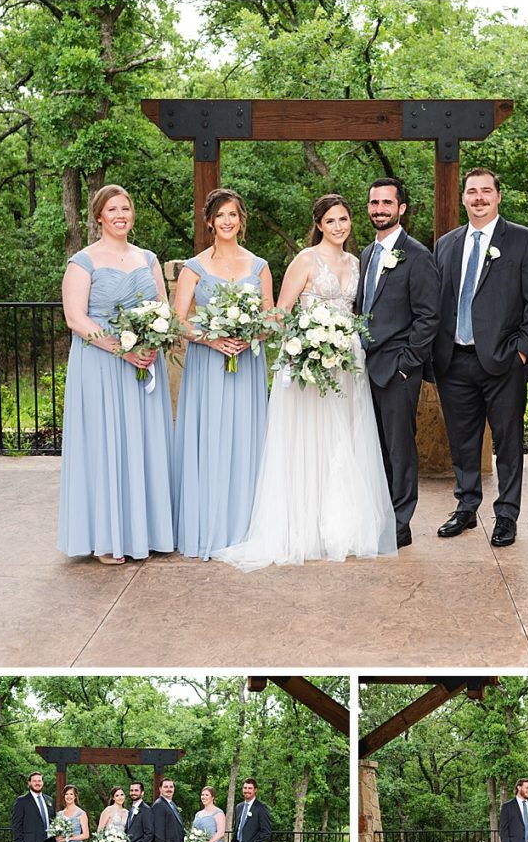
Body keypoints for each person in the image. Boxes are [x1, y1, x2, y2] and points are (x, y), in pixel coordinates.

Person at [213, 194, 396, 570]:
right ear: (319, 225)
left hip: (347, 362)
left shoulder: (357, 261)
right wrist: (295, 342)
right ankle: (304, 526)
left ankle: (343, 526)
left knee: (346, 440)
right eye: (330, 221)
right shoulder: (305, 260)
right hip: (308, 363)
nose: (339, 227)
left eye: (344, 219)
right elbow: (281, 313)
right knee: (310, 441)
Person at [433, 168, 528, 548]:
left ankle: (506, 514)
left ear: (499, 196)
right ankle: (466, 507)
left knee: (508, 440)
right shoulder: (447, 244)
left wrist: (521, 350)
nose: (479, 198)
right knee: (462, 440)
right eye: (472, 192)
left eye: (486, 191)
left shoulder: (522, 241)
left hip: (503, 361)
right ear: (464, 198)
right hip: (455, 360)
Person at [58, 184, 175, 564]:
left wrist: (155, 339)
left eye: (126, 208)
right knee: (106, 444)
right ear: (99, 217)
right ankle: (107, 538)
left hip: (144, 361)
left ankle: (148, 531)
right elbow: (76, 319)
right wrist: (122, 350)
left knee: (143, 442)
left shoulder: (148, 258)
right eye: (112, 209)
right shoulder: (83, 261)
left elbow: (163, 307)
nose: (121, 214)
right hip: (101, 364)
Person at [173, 188, 272, 559]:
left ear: (240, 220)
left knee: (245, 438)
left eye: (233, 214)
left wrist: (251, 337)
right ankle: (209, 526)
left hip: (246, 364)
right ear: (210, 221)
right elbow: (178, 320)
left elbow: (270, 317)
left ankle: (246, 526)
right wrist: (212, 341)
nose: (227, 221)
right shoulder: (194, 268)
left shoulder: (259, 266)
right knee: (211, 439)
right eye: (221, 215)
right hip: (208, 365)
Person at [354, 177, 440, 548]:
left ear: (401, 208)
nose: (379, 209)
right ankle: (379, 512)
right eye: (374, 203)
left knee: (400, 448)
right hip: (364, 368)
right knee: (374, 446)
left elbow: (429, 317)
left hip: (397, 370)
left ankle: (400, 522)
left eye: (387, 203)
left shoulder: (417, 255)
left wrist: (408, 363)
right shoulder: (367, 254)